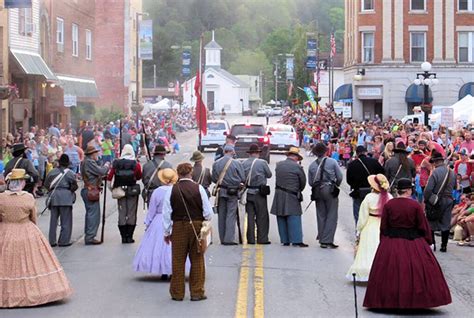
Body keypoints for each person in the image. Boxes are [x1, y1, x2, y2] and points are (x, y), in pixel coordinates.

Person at [363, 178, 452, 309]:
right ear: (409, 191)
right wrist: (428, 241)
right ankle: (416, 301)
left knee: (389, 272)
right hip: (413, 241)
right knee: (415, 272)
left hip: (391, 241)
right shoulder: (415, 205)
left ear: (398, 191)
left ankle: (388, 300)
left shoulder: (389, 205)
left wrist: (384, 243)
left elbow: (384, 227)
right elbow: (423, 226)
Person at [0, 169, 73, 307]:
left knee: (6, 263)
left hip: (5, 231)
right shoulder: (27, 197)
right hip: (25, 229)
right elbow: (33, 216)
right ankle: (32, 291)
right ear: (21, 183)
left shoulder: (1, 198)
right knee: (29, 262)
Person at [163, 163, 213, 301]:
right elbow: (208, 212)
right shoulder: (199, 188)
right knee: (197, 259)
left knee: (178, 260)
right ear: (191, 173)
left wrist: (167, 232)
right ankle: (197, 292)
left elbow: (167, 213)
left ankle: (177, 293)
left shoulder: (172, 190)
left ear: (178, 174)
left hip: (178, 226)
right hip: (196, 226)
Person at [133, 168, 179, 278]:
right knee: (174, 247)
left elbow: (152, 209)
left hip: (159, 219)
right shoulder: (176, 190)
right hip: (173, 219)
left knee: (158, 246)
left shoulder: (157, 192)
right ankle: (174, 269)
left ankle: (162, 270)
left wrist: (148, 223)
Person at [346, 174, 391, 282]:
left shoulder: (369, 198)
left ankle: (365, 272)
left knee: (367, 249)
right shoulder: (389, 197)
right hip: (383, 226)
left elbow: (362, 217)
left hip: (370, 225)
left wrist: (359, 230)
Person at [271, 147, 308, 247]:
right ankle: (296, 240)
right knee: (294, 216)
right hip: (292, 194)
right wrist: (298, 190)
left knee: (281, 216)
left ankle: (285, 239)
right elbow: (303, 182)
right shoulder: (298, 168)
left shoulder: (279, 165)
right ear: (296, 157)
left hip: (279, 193)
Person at [308, 143, 343, 248]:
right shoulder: (332, 162)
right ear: (325, 151)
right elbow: (340, 177)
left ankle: (322, 238)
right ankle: (327, 240)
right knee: (332, 214)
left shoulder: (312, 165)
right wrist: (336, 185)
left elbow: (310, 182)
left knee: (321, 214)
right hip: (329, 188)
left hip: (318, 190)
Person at [107, 144, 142, 243]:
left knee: (122, 212)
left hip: (120, 190)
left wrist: (112, 189)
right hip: (132, 190)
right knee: (131, 212)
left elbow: (109, 177)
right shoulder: (136, 164)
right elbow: (139, 176)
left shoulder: (116, 163)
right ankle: (129, 236)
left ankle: (123, 236)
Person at [212, 145, 246, 245]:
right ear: (232, 152)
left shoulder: (216, 163)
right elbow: (242, 178)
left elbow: (214, 178)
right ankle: (229, 239)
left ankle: (222, 238)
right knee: (231, 214)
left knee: (221, 214)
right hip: (233, 191)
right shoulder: (236, 163)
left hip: (221, 190)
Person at [424, 151, 456, 252]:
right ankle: (444, 246)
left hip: (437, 200)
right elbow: (455, 186)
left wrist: (427, 200)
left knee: (432, 221)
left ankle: (433, 244)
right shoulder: (452, 172)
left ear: (435, 162)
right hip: (449, 199)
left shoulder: (435, 172)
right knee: (446, 222)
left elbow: (428, 189)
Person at [44, 154, 78, 247]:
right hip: (66, 197)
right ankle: (64, 241)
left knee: (53, 220)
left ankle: (52, 241)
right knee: (66, 220)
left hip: (54, 197)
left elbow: (46, 184)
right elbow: (75, 186)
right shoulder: (70, 173)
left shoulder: (52, 172)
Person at [242, 144, 272, 245]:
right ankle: (262, 238)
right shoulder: (262, 162)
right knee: (262, 216)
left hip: (248, 192)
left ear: (250, 153)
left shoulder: (243, 163)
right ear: (257, 153)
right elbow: (269, 174)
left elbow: (242, 177)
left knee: (250, 216)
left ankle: (250, 239)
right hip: (259, 192)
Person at [346, 145, 385, 224]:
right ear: (366, 152)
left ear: (356, 154)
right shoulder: (374, 162)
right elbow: (382, 174)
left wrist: (355, 185)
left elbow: (349, 180)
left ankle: (359, 232)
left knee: (358, 214)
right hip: (373, 190)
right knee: (372, 213)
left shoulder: (352, 164)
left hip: (358, 192)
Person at [81, 145, 109, 245]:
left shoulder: (86, 162)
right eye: (95, 153)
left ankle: (90, 235)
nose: (97, 155)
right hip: (91, 190)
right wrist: (106, 166)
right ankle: (90, 236)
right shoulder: (89, 162)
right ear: (92, 154)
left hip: (89, 189)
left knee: (91, 213)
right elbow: (101, 171)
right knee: (93, 215)